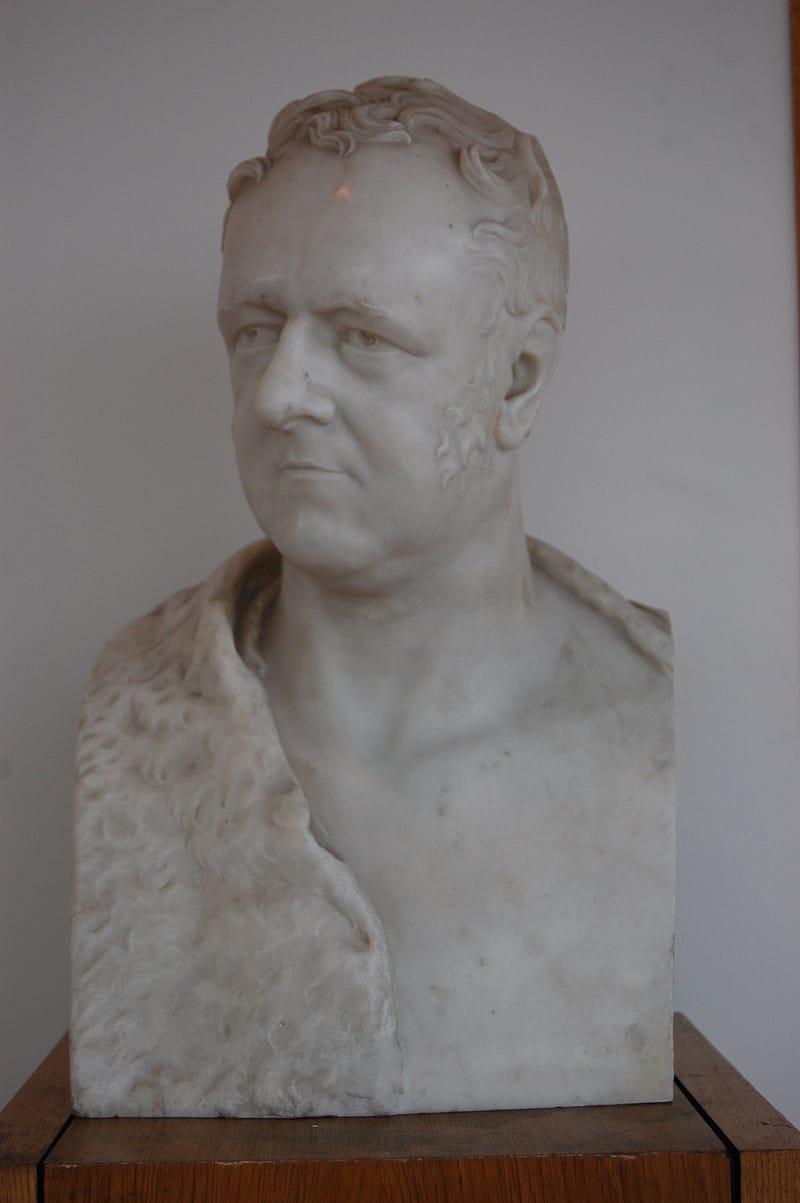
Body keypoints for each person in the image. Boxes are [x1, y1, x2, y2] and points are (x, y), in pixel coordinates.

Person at [71, 77, 674, 1119]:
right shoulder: (134, 712)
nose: (276, 395)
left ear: (518, 380)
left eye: (361, 335)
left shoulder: (647, 711)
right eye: (253, 330)